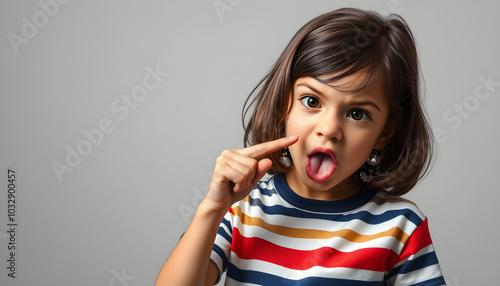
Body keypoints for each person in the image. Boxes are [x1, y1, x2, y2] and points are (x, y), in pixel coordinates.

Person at [155, 7, 446, 286]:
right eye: (312, 101)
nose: (330, 129)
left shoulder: (401, 227)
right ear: (285, 107)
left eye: (357, 114)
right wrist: (212, 208)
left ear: (383, 135)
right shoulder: (240, 210)